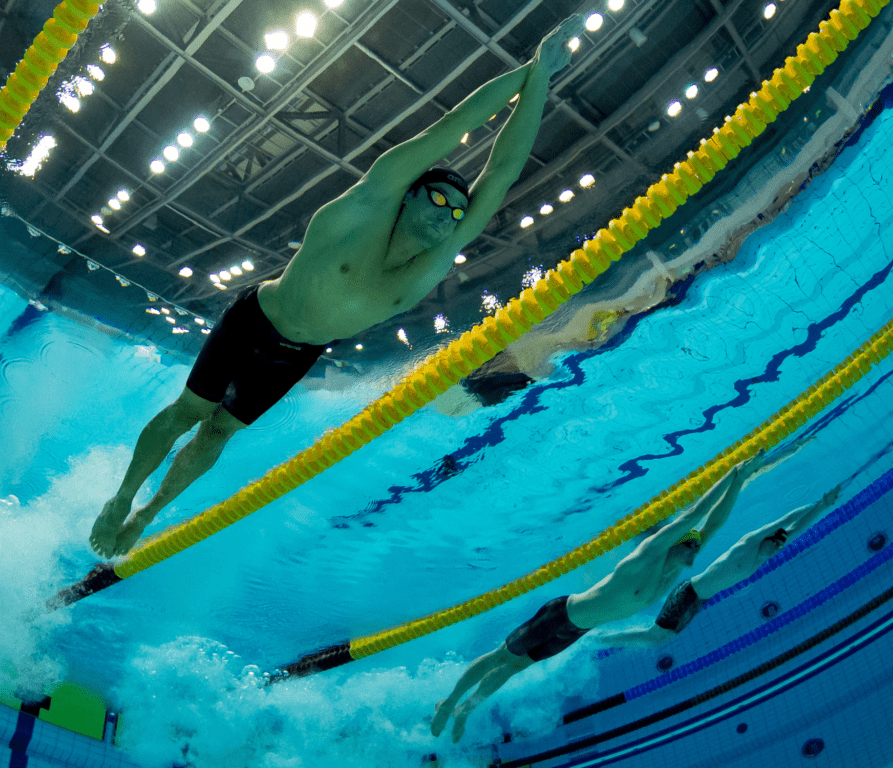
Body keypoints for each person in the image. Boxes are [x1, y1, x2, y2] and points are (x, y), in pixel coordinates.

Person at [89, 14, 588, 558]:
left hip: (298, 354)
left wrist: (543, 78)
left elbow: (503, 170)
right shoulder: (369, 204)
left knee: (218, 433)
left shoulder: (437, 256)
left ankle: (147, 516)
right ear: (409, 194)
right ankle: (120, 497)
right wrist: (531, 63)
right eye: (440, 198)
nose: (449, 215)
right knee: (189, 411)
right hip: (257, 318)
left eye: (458, 212)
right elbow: (450, 126)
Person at [431, 452, 769, 743]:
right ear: (676, 542)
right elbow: (694, 516)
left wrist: (739, 484)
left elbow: (714, 524)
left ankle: (467, 709)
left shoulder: (674, 568)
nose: (697, 550)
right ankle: (448, 701)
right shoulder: (648, 556)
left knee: (515, 668)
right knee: (499, 658)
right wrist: (732, 473)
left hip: (577, 630)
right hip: (561, 614)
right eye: (692, 544)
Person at [593, 484, 841, 646]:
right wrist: (820, 501)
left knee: (658, 637)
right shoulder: (749, 544)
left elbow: (796, 530)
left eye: (778, 546)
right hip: (689, 593)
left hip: (699, 599)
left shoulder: (764, 553)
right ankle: (598, 639)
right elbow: (786, 521)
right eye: (775, 544)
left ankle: (601, 638)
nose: (777, 549)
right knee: (656, 637)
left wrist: (822, 507)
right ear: (768, 538)